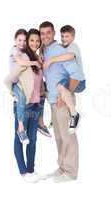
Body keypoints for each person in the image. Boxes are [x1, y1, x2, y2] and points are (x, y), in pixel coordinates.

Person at [39, 21, 79, 182]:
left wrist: (66, 93)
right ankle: (62, 167)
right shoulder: (46, 51)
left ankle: (70, 172)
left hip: (63, 101)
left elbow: (76, 74)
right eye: (42, 33)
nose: (45, 36)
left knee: (68, 136)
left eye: (48, 33)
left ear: (54, 33)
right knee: (59, 136)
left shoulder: (59, 50)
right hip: (53, 101)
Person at [6, 29, 44, 182]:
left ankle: (31, 170)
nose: (35, 43)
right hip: (23, 104)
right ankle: (23, 172)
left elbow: (39, 82)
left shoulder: (37, 58)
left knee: (33, 140)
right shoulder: (23, 56)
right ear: (27, 42)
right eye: (32, 40)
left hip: (36, 105)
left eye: (37, 41)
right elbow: (10, 77)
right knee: (19, 139)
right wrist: (13, 89)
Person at [43, 25, 86, 133]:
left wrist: (51, 60)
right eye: (62, 36)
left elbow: (70, 56)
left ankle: (74, 114)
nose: (64, 39)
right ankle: (54, 118)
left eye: (67, 36)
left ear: (73, 37)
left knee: (59, 86)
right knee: (48, 87)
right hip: (69, 80)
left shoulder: (73, 46)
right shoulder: (61, 47)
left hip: (79, 81)